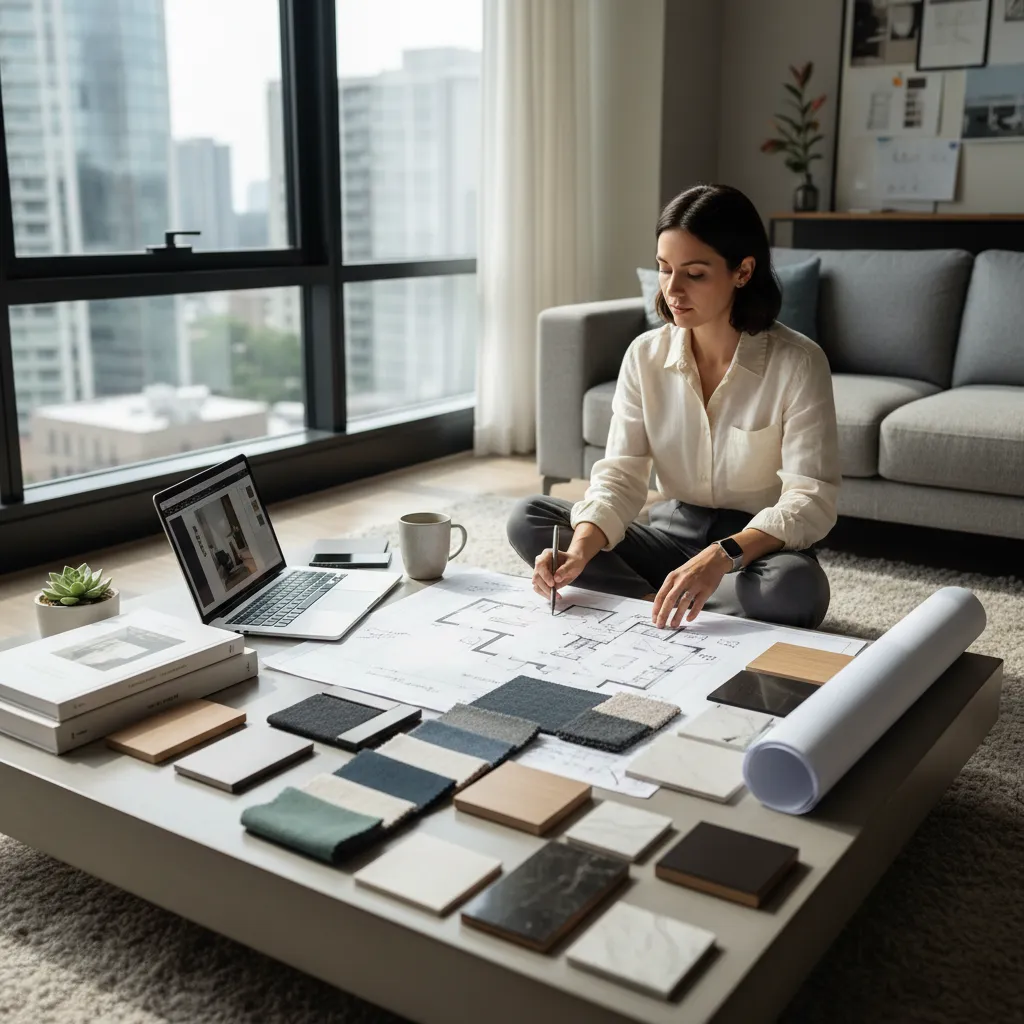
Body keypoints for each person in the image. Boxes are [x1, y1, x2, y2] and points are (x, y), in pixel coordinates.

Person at [507, 183, 839, 630]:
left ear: (742, 272)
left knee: (794, 589)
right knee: (529, 517)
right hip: (670, 532)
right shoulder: (644, 356)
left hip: (754, 547)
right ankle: (660, 600)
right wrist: (582, 546)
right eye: (664, 269)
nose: (672, 289)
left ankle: (656, 594)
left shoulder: (798, 362)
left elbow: (810, 498)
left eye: (694, 274)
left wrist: (721, 556)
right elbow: (622, 476)